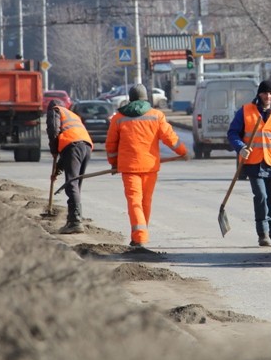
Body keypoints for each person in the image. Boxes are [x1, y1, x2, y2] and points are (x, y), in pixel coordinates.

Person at [105, 83, 189, 249]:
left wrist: (114, 163)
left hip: (129, 167)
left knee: (134, 201)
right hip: (150, 167)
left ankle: (140, 237)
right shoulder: (156, 115)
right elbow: (170, 138)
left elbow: (111, 144)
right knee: (145, 202)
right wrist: (183, 152)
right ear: (146, 98)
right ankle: (140, 236)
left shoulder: (118, 117)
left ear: (130, 99)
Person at [227, 80, 271, 247]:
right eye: (265, 93)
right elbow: (232, 133)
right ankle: (263, 233)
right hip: (253, 162)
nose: (268, 96)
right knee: (261, 196)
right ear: (259, 94)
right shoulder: (245, 111)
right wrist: (241, 147)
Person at [46, 99, 93, 234]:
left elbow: (53, 130)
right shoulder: (72, 114)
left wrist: (54, 150)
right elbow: (71, 143)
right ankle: (74, 218)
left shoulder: (55, 111)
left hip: (73, 146)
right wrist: (58, 168)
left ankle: (75, 222)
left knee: (72, 183)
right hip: (86, 146)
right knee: (76, 184)